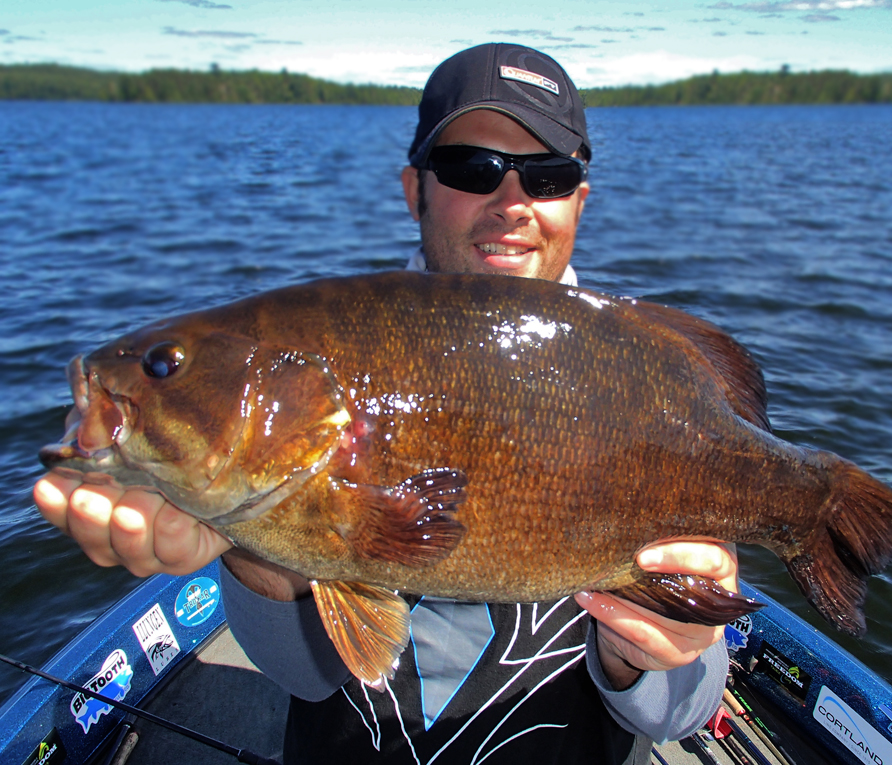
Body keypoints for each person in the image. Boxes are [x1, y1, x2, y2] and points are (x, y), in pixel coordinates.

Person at [34, 43, 739, 764]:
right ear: (415, 189)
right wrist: (257, 550)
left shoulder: (642, 382)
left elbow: (687, 709)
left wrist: (641, 654)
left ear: (578, 203)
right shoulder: (325, 347)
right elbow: (306, 673)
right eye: (474, 168)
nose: (513, 203)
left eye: (549, 175)